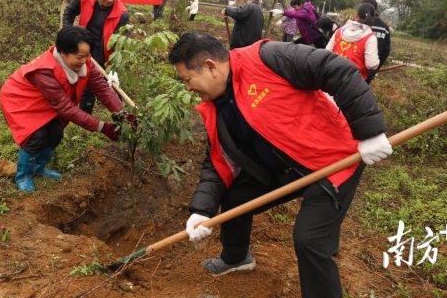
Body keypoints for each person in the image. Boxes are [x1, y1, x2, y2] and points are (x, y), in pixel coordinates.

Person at [168, 32, 392, 298]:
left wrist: (370, 132)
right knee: (235, 195)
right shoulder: (215, 108)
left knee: (310, 241)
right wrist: (202, 210)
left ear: (210, 67)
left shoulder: (267, 58)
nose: (189, 88)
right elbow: (217, 163)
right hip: (283, 168)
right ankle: (236, 258)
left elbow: (336, 69)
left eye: (187, 80)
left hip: (333, 162)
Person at [0, 26, 126, 192]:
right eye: (79, 57)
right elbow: (66, 107)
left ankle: (39, 168)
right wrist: (102, 127)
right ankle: (23, 175)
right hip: (20, 100)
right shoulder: (44, 71)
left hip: (48, 101)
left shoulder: (86, 62)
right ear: (63, 52)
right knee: (36, 136)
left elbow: (101, 88)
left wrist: (120, 113)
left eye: (87, 55)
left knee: (56, 132)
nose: (84, 61)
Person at [62, 0, 129, 113]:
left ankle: (121, 122)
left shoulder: (122, 14)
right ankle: (85, 120)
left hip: (107, 56)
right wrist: (69, 33)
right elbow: (69, 12)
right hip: (85, 50)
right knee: (86, 86)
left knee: (113, 90)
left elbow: (121, 44)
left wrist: (114, 69)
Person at [326, 3, 379, 81]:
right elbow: (371, 64)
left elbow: (327, 52)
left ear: (356, 15)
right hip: (353, 81)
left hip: (332, 75)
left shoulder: (340, 31)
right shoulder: (370, 37)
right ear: (372, 18)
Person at [361, 0, 391, 83]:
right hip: (370, 71)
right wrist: (376, 68)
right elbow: (386, 51)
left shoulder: (359, 24)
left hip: (355, 68)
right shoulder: (385, 27)